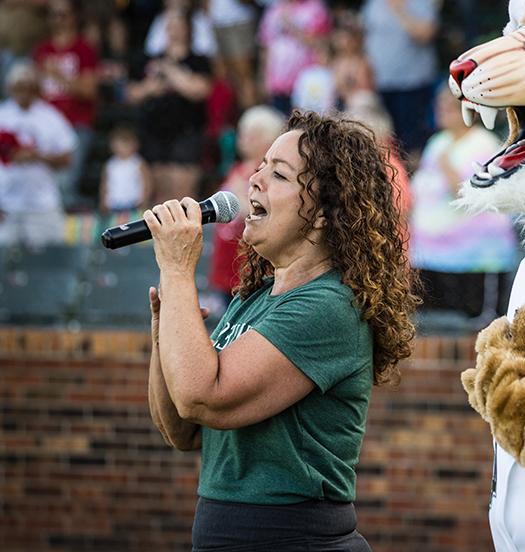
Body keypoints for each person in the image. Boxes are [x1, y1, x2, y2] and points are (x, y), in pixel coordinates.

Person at [145, 110, 419, 551]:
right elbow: (181, 427)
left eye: (279, 174)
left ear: (326, 211)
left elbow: (202, 396)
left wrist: (178, 269)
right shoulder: (255, 298)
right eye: (259, 166)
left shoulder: (329, 306)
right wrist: (166, 329)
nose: (255, 179)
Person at [409, 87, 520, 320]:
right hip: (431, 256)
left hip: (472, 260)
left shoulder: (484, 144)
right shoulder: (437, 142)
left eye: (447, 107)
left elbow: (470, 194)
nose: (441, 112)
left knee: (468, 327)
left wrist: (447, 166)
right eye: (439, 107)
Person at [126, 10, 212, 202]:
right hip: (154, 130)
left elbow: (199, 89)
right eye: (170, 26)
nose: (173, 31)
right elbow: (132, 93)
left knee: (184, 194)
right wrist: (151, 88)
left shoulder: (197, 60)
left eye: (178, 26)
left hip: (187, 131)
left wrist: (169, 70)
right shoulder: (149, 59)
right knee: (157, 195)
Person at [361, 0, 437, 161]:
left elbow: (425, 34)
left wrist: (400, 10)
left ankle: (412, 181)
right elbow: (365, 34)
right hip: (380, 79)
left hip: (412, 82)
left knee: (411, 139)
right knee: (383, 135)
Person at [207, 105, 284, 310]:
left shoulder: (268, 173)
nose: (244, 139)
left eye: (253, 134)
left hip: (250, 264)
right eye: (243, 132)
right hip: (227, 260)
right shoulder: (237, 169)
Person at [33, 0, 99, 209]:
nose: (57, 19)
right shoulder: (42, 50)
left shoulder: (83, 48)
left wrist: (58, 75)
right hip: (45, 128)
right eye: (53, 14)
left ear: (73, 16)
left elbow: (89, 90)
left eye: (63, 14)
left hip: (75, 124)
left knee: (65, 186)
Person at [0, 61, 75, 248]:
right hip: (6, 203)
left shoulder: (50, 116)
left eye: (28, 88)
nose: (24, 93)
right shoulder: (3, 114)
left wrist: (38, 156)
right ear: (10, 88)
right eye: (19, 87)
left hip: (42, 203)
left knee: (48, 260)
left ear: (36, 89)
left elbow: (67, 157)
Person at [258, 0, 331, 115]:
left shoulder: (315, 8)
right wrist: (264, 78)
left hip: (305, 81)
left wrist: (293, 28)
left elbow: (321, 43)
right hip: (278, 82)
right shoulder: (273, 10)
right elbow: (266, 46)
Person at [205, 0, 258, 109]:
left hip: (238, 22)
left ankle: (251, 116)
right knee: (223, 77)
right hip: (217, 23)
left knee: (244, 75)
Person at [145, 0, 218, 59]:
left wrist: (184, 45)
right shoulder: (161, 19)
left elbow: (207, 49)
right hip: (167, 61)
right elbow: (151, 49)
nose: (177, 2)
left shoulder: (200, 20)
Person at [99, 124, 151, 213]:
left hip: (133, 203)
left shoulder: (138, 163)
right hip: (114, 203)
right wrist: (103, 200)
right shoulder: (110, 164)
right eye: (118, 144)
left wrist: (144, 200)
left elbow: (147, 182)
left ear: (135, 145)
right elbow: (105, 184)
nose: (122, 148)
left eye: (126, 144)